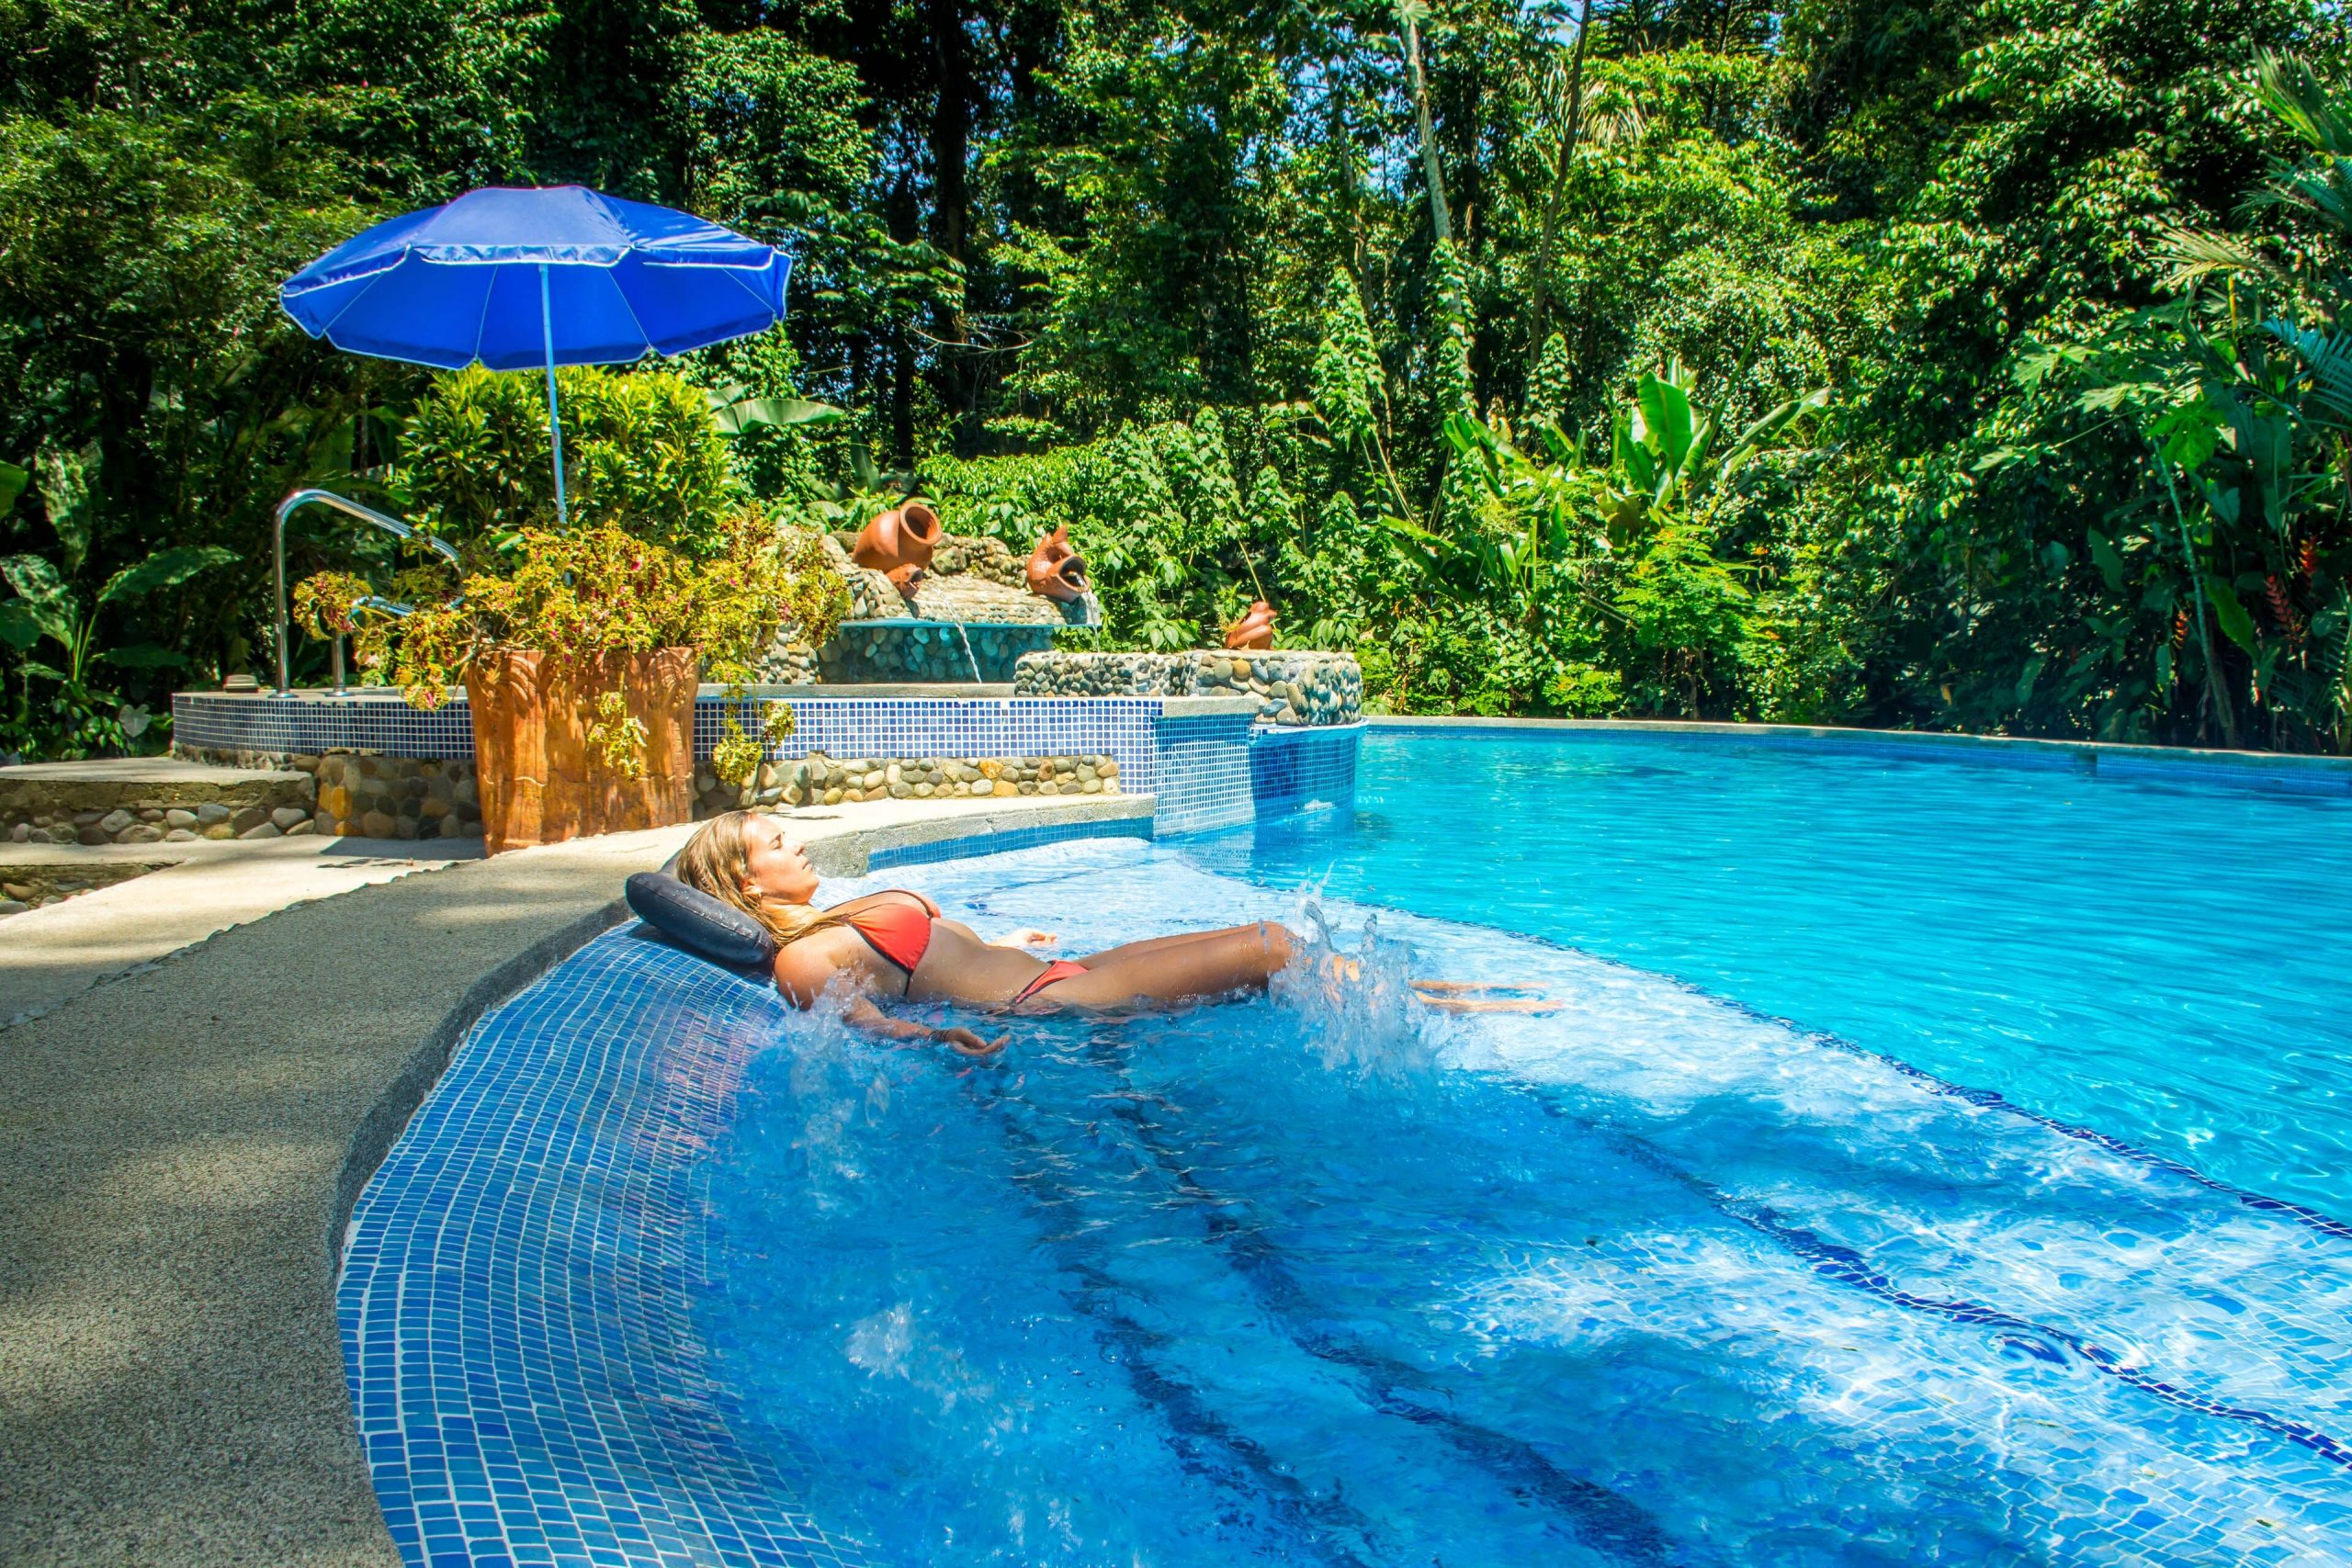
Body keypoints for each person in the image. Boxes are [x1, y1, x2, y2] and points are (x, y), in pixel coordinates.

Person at [674, 810, 1556, 1056]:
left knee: (1268, 932)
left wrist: (1002, 934)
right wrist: (934, 1034)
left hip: (1054, 967)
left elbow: (933, 951)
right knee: (1270, 951)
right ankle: (1418, 1010)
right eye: (776, 840)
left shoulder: (832, 918)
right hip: (1047, 999)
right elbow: (850, 1018)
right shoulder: (797, 953)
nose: (796, 837)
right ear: (746, 880)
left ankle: (1419, 997)